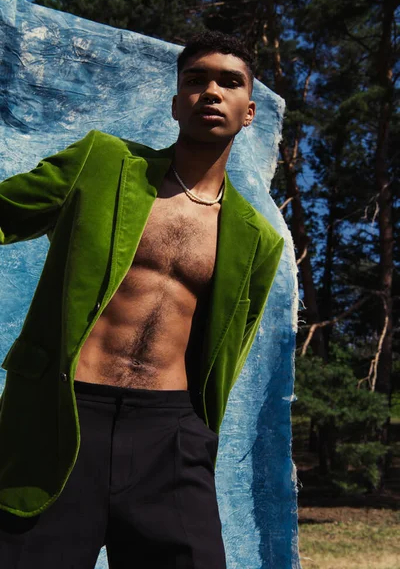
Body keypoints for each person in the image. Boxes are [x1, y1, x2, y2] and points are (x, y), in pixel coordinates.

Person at [0, 31, 284, 568]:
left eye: (230, 81)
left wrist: (196, 436)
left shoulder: (256, 239)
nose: (211, 91)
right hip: (65, 420)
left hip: (170, 437)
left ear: (249, 111)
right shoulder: (103, 162)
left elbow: (221, 352)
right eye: (196, 79)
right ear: (176, 103)